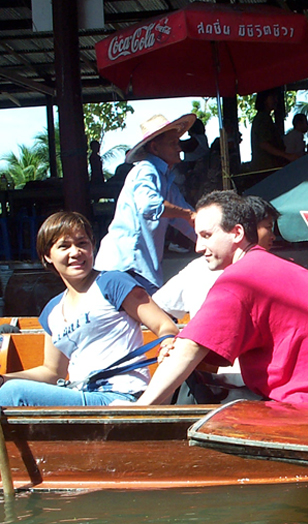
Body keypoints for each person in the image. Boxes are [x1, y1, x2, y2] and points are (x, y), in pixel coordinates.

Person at [133, 191, 308, 405]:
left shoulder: (241, 278)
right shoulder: (287, 268)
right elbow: (203, 352)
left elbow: (190, 350)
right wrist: (180, 345)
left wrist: (137, 411)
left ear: (237, 233)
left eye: (206, 236)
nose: (198, 247)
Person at [0, 212, 179, 407]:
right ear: (47, 256)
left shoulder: (113, 283)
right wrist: (3, 379)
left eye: (82, 243)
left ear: (92, 246)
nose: (75, 252)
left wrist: (168, 342)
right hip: (81, 397)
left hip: (121, 396)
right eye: (64, 246)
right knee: (8, 389)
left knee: (13, 392)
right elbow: (52, 372)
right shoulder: (51, 311)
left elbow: (165, 326)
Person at [94, 113, 198, 295]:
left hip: (136, 269)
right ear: (155, 148)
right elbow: (151, 207)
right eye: (173, 143)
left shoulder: (166, 181)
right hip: (127, 268)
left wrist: (215, 242)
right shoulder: (145, 170)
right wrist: (189, 216)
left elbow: (189, 223)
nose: (179, 148)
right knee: (161, 320)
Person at [152, 196, 280, 321]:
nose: (199, 247)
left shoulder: (274, 271)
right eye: (268, 227)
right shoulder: (197, 269)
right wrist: (169, 333)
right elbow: (158, 308)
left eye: (206, 236)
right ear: (243, 229)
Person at [250, 89, 299, 175]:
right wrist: (286, 156)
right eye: (272, 97)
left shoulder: (264, 118)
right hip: (266, 170)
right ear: (264, 99)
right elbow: (264, 144)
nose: (276, 100)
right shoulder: (263, 118)